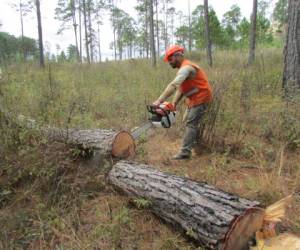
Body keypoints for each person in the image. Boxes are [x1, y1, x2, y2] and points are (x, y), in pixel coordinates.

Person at [153, 45, 212, 160]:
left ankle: (185, 152)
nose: (169, 62)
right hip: (194, 98)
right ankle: (196, 146)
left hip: (201, 97)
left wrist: (159, 101)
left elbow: (174, 85)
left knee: (191, 123)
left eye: (170, 59)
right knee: (188, 122)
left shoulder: (186, 68)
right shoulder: (182, 70)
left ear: (178, 55)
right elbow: (181, 89)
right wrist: (173, 104)